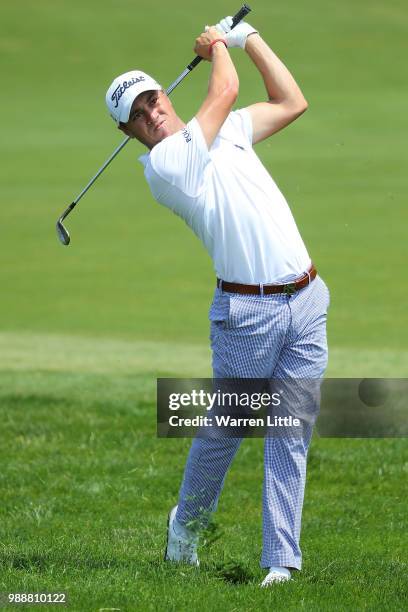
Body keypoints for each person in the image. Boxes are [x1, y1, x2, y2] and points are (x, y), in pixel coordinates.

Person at [105, 16, 330, 587]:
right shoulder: (165, 167)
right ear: (129, 131)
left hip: (306, 298)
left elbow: (291, 100)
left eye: (151, 98)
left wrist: (248, 39)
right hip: (246, 316)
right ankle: (187, 524)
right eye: (136, 114)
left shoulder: (228, 130)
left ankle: (281, 562)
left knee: (290, 433)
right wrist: (216, 48)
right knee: (225, 432)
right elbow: (225, 87)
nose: (150, 112)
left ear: (164, 92)